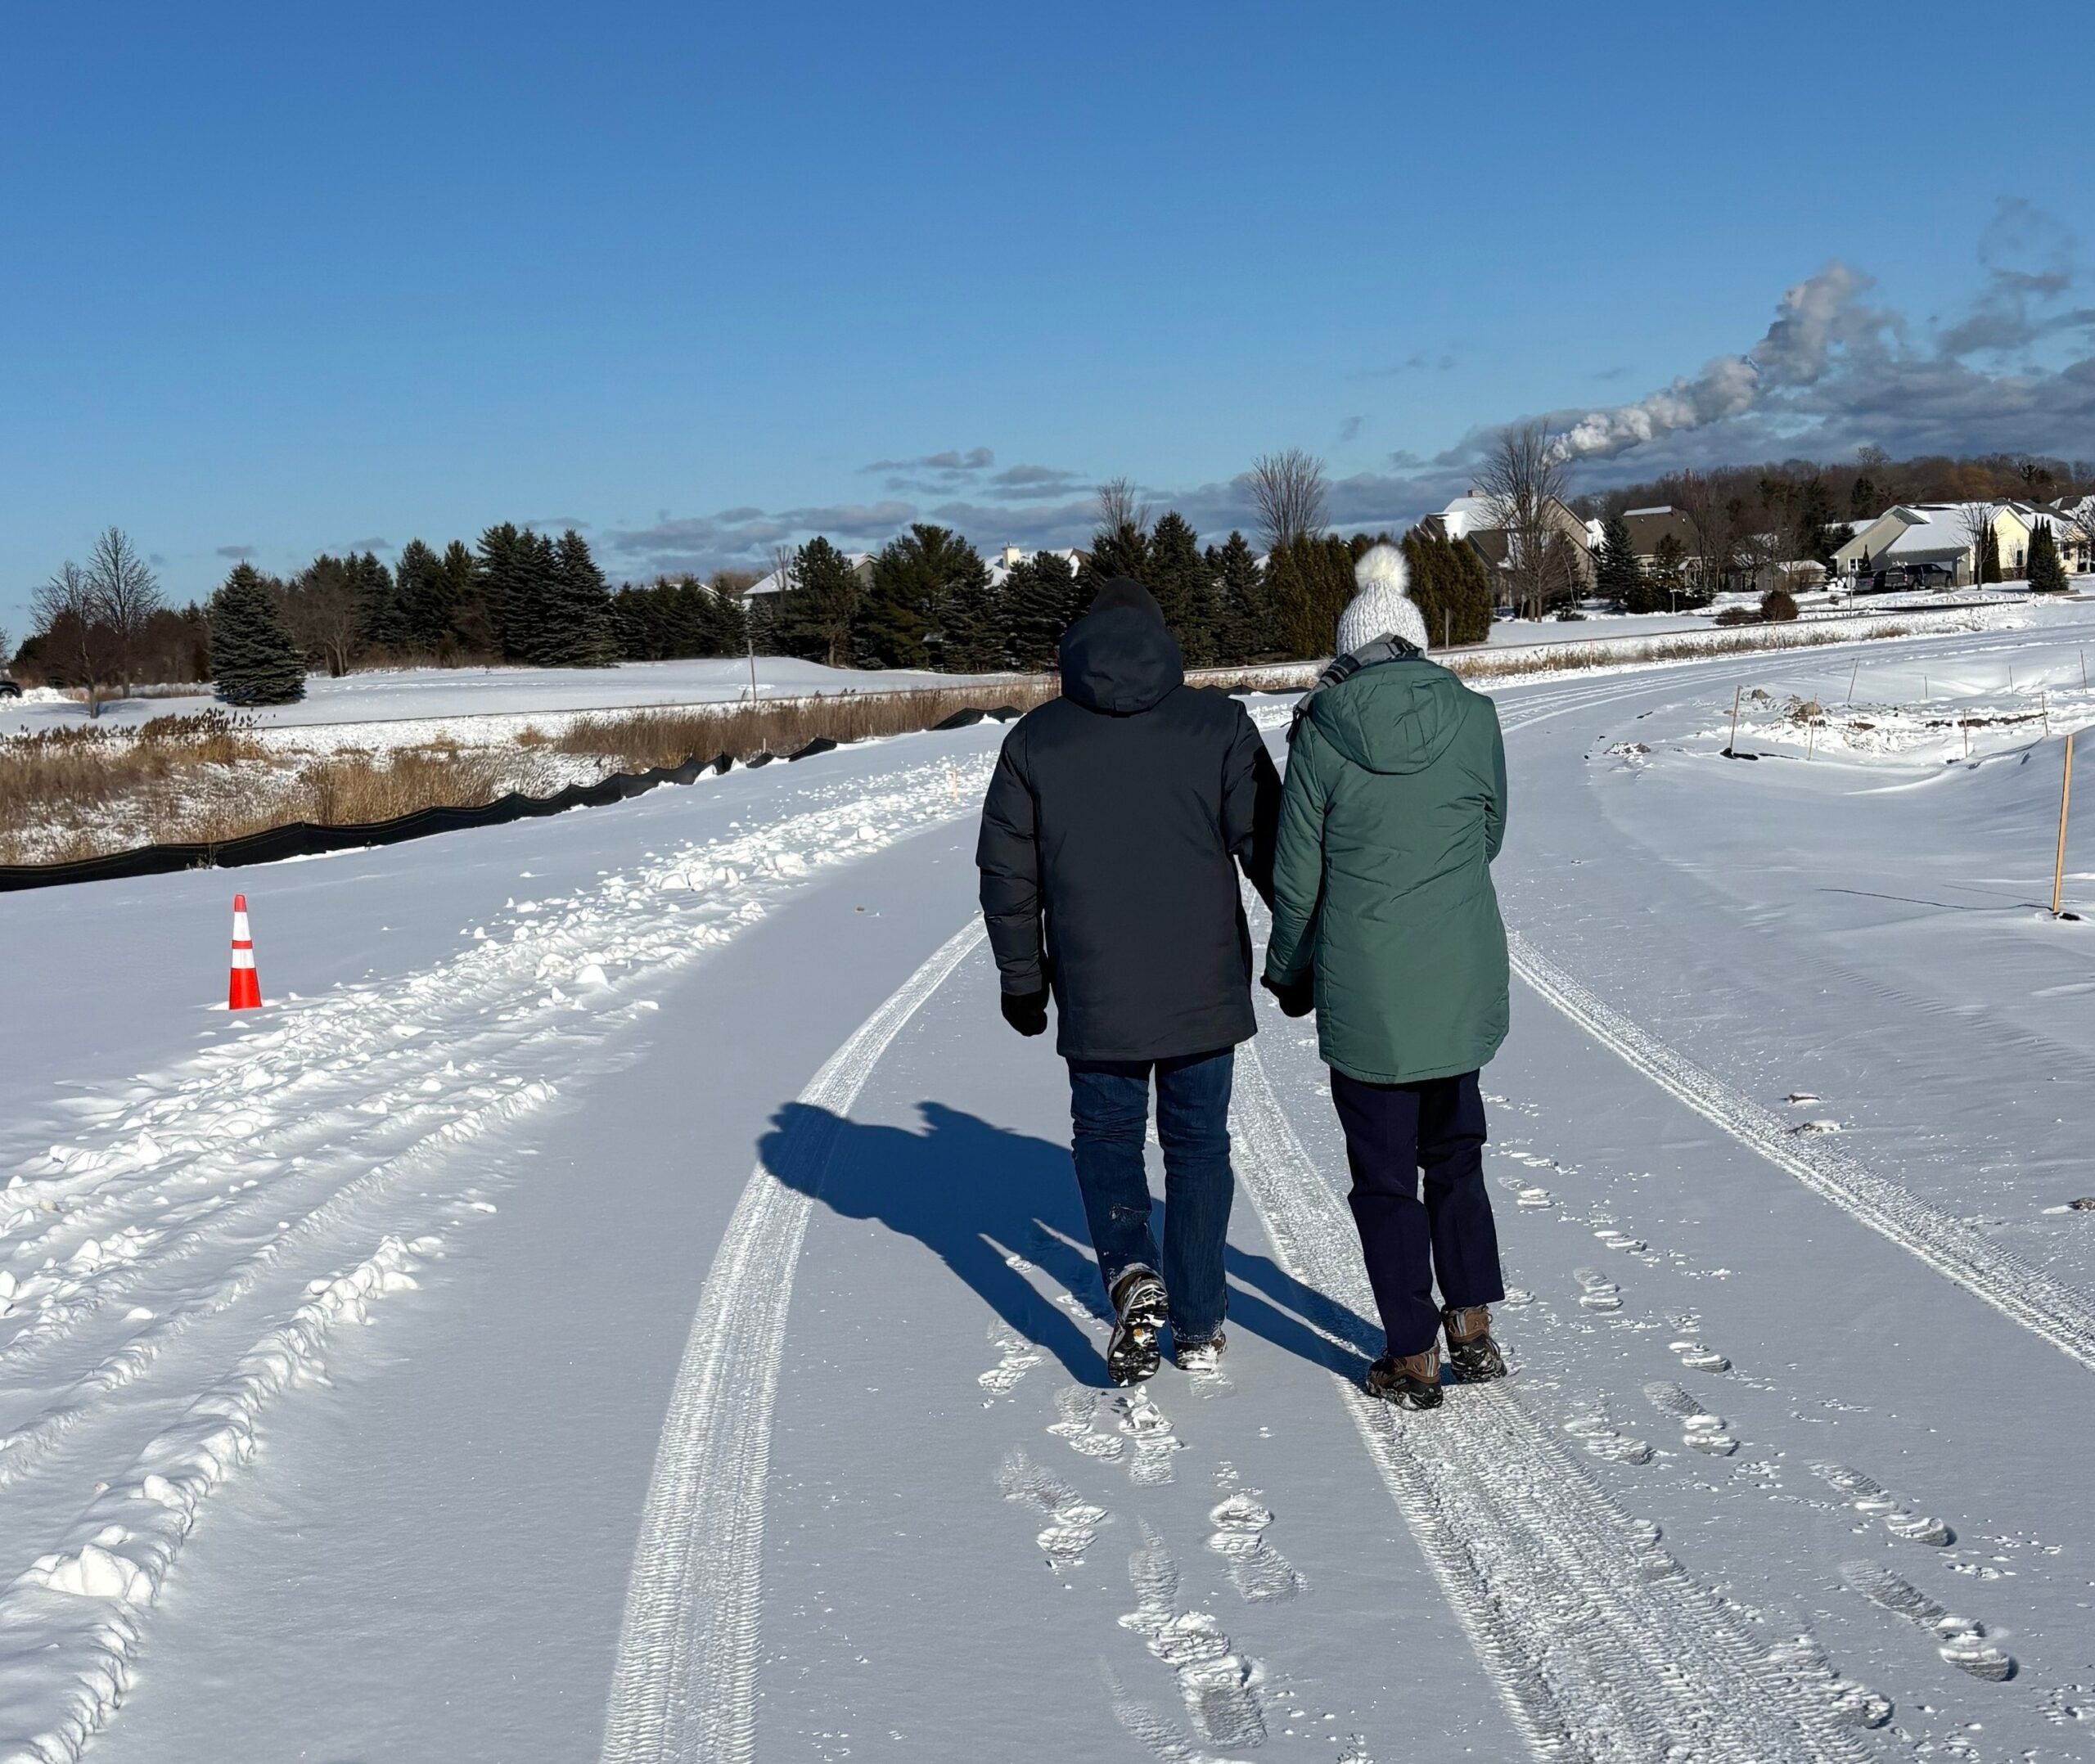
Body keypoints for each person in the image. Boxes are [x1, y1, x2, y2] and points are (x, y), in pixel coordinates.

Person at [977, 578, 1280, 1385]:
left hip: (1096, 982)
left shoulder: (1035, 740)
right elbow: (1271, 848)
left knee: (1108, 1136)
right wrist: (1305, 948)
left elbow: (1007, 872)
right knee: (1197, 1143)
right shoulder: (1216, 724)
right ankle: (1201, 1321)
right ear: (1160, 639)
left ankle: (1127, 1268)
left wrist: (1021, 979)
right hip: (1202, 986)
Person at [1262, 542, 1511, 1410]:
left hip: (1368, 991)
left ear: (1346, 647)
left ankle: (1411, 1355)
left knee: (1383, 1176)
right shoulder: (1473, 717)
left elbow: (1297, 877)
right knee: (1455, 1154)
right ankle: (1471, 1324)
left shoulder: (1321, 730)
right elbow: (1489, 831)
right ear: (1415, 640)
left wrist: (1290, 971)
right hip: (1457, 980)